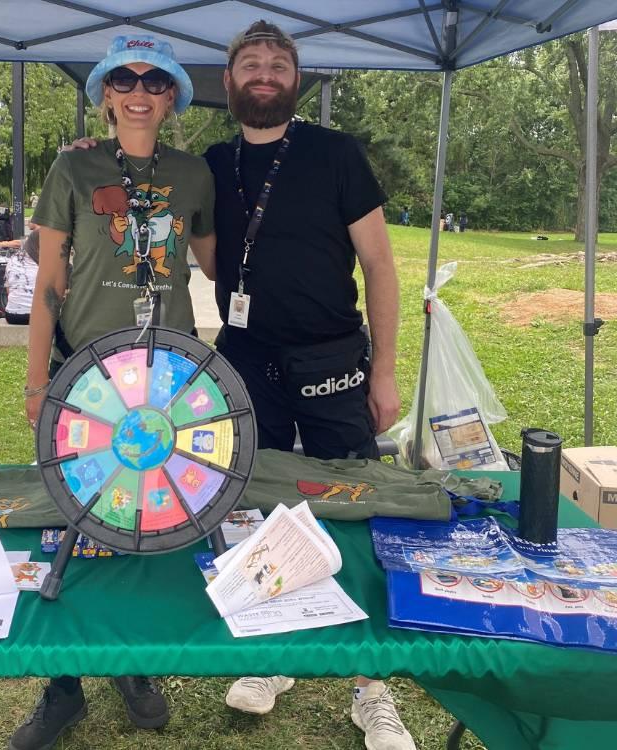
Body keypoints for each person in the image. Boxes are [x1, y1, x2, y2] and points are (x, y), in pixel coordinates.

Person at [202, 21, 413, 750]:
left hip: (332, 361)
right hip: (245, 355)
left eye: (278, 64)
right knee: (256, 505)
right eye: (251, 63)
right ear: (229, 81)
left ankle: (371, 685)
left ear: (297, 80)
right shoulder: (213, 160)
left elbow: (381, 268)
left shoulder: (335, 154)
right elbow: (179, 226)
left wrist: (382, 372)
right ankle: (273, 653)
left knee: (355, 505)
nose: (265, 73)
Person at [14, 33, 216, 750]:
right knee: (76, 521)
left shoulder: (194, 174)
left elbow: (216, 259)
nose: (139, 91)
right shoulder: (71, 170)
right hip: (86, 377)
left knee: (145, 525)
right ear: (105, 94)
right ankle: (63, 687)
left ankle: (133, 666)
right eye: (124, 79)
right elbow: (47, 288)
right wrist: (39, 382)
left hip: (168, 380)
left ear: (171, 98)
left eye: (154, 80)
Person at [0, 224, 40, 325]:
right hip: (37, 315)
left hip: (12, 315)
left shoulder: (12, 261)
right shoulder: (43, 264)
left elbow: (9, 290)